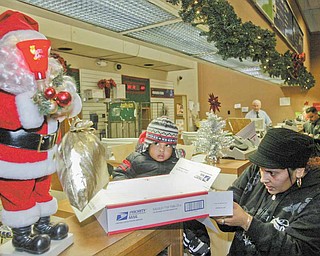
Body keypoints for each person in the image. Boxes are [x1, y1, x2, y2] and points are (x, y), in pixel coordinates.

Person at [112, 116, 211, 256]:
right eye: (157, 144)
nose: (161, 150)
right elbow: (119, 174)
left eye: (167, 146)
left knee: (192, 224)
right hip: (144, 209)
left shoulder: (179, 163)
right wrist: (131, 188)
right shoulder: (136, 159)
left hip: (174, 209)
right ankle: (184, 239)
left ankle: (190, 239)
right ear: (148, 143)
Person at [214, 128, 320, 255]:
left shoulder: (315, 199)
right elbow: (233, 199)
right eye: (261, 170)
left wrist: (248, 222)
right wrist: (222, 212)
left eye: (272, 173)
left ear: (299, 171)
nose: (263, 179)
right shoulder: (256, 170)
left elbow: (296, 251)